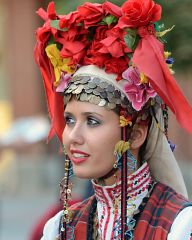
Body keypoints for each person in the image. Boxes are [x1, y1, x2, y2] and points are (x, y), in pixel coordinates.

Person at [34, 0, 192, 239]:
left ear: (137, 133)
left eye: (92, 121)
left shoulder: (178, 225)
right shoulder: (59, 228)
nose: (73, 137)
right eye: (69, 120)